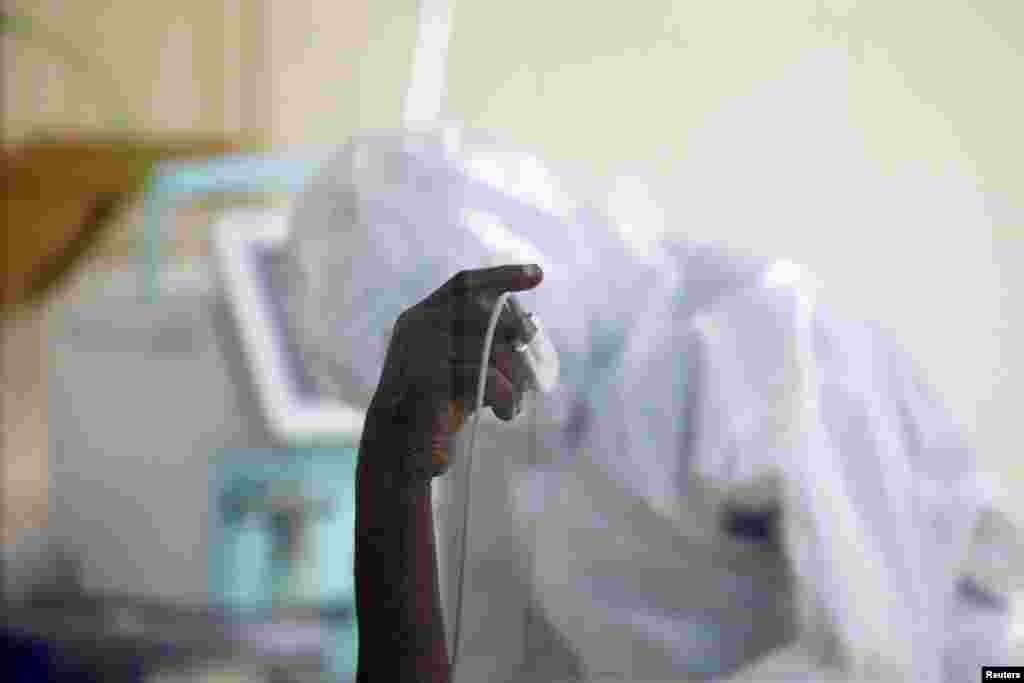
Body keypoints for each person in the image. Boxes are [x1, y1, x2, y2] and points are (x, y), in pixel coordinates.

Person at [276, 127, 1021, 682]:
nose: (472, 404)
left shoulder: (768, 346)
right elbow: (497, 660)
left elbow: (878, 655)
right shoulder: (509, 436)